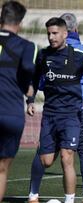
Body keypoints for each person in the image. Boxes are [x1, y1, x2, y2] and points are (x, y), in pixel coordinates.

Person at [27, 13, 83, 203]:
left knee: (67, 157)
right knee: (46, 160)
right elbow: (34, 80)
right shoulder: (43, 55)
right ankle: (33, 193)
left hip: (72, 115)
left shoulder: (79, 56)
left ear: (65, 34)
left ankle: (69, 200)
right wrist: (30, 100)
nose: (51, 37)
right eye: (49, 34)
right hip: (50, 115)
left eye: (55, 33)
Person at [0, 1, 36, 201]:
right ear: (20, 22)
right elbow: (28, 71)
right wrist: (27, 89)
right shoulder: (26, 46)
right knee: (2, 169)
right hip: (12, 113)